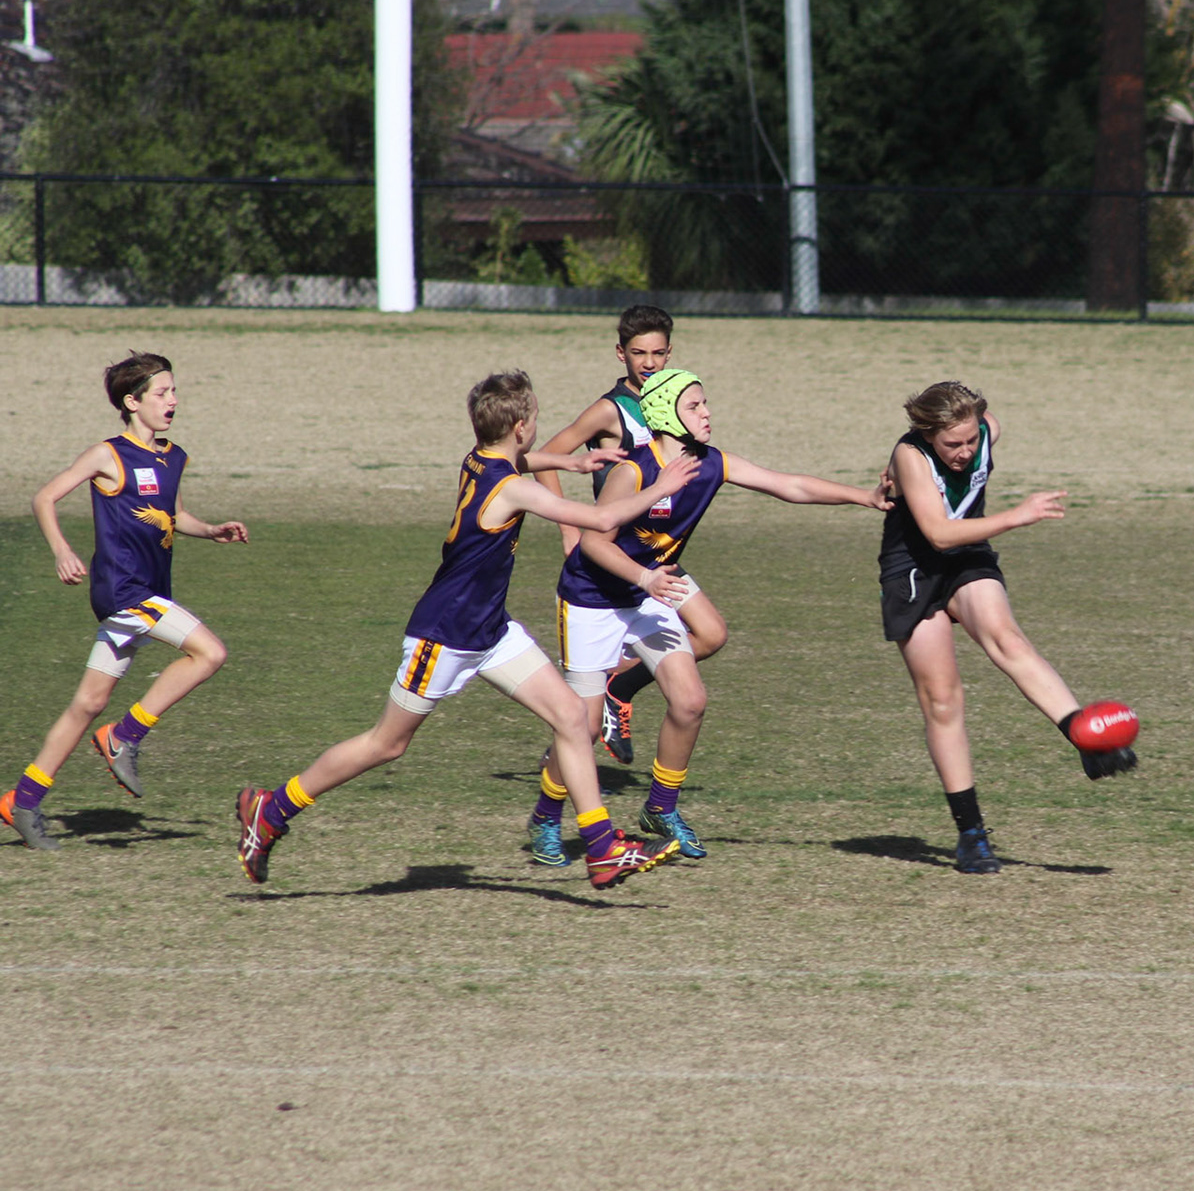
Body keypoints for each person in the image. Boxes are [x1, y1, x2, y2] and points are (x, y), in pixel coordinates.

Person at [233, 369, 694, 891]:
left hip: (490, 630)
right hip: (445, 635)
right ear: (521, 428)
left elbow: (517, 462)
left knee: (571, 716)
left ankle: (602, 847)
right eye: (535, 419)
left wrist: (566, 461)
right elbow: (597, 519)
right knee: (386, 743)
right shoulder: (513, 489)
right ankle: (272, 808)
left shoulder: (478, 459)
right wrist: (662, 486)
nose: (537, 427)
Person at [525, 368, 890, 866]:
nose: (707, 413)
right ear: (665, 413)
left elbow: (788, 485)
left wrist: (864, 497)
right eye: (694, 406)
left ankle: (660, 808)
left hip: (648, 592)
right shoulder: (634, 471)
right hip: (591, 600)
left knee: (690, 701)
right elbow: (593, 543)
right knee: (583, 728)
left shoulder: (712, 463)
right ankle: (546, 816)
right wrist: (646, 578)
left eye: (705, 403)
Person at [880, 381, 1135, 875]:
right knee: (943, 700)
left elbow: (986, 430)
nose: (965, 451)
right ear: (926, 434)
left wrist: (977, 437)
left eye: (970, 439)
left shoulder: (985, 429)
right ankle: (971, 835)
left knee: (1007, 639)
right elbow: (937, 533)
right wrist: (1016, 517)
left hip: (966, 558)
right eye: (952, 444)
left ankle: (1085, 738)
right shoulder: (911, 454)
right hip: (913, 570)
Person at [1, 353, 250, 851]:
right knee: (210, 653)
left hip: (149, 592)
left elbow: (172, 514)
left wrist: (211, 530)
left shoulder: (174, 456)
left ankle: (22, 801)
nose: (173, 401)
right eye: (162, 393)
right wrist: (62, 551)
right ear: (132, 402)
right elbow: (44, 498)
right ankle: (124, 736)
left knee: (88, 703)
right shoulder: (107, 455)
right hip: (124, 591)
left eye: (174, 391)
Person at [530, 304, 731, 765]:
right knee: (584, 712)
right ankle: (572, 748)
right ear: (621, 353)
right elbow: (548, 457)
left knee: (711, 634)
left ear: (670, 353)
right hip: (613, 552)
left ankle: (619, 687)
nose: (649, 363)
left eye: (658, 353)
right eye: (639, 353)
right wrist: (570, 528)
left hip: (655, 552)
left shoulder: (676, 399)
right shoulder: (610, 409)